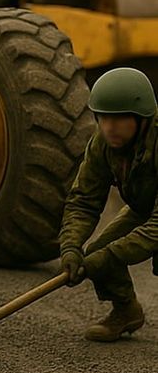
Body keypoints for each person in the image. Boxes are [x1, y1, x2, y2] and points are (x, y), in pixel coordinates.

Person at [59, 67, 158, 341]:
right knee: (98, 251)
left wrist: (110, 256)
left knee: (107, 255)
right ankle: (126, 311)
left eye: (119, 119)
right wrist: (70, 247)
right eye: (103, 118)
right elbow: (83, 202)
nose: (109, 127)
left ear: (141, 119)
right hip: (145, 208)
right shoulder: (103, 143)